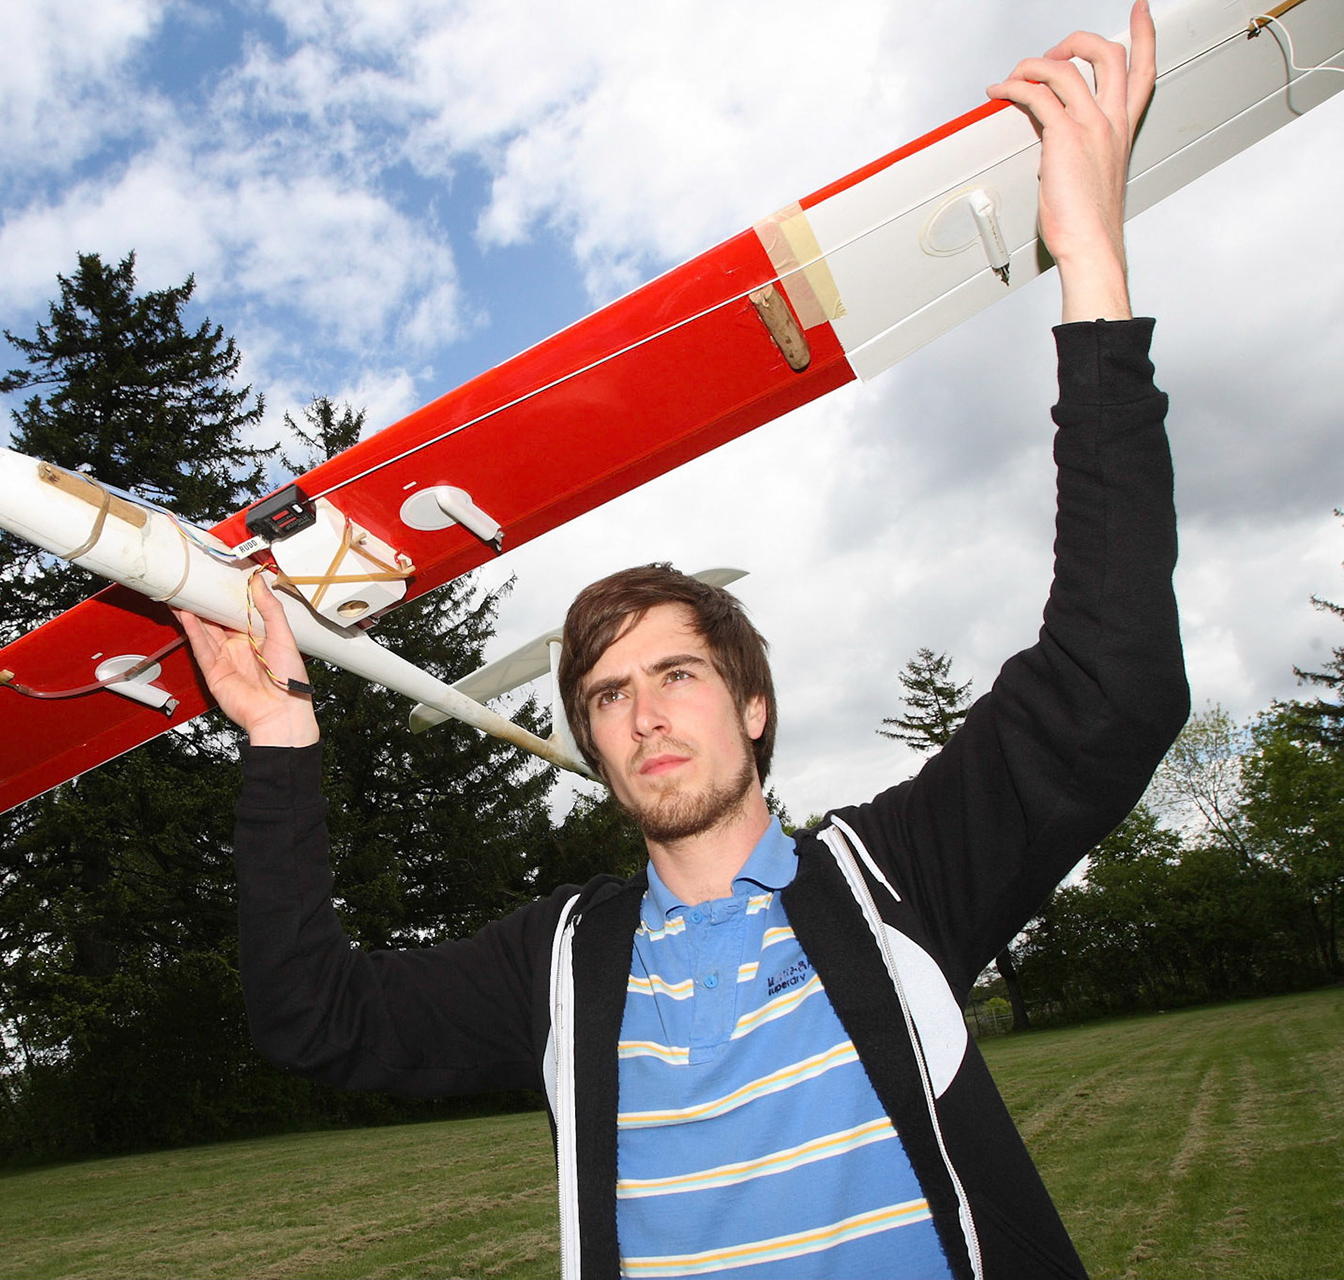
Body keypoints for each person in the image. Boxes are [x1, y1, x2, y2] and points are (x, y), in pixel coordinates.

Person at [176, 6, 1182, 1277]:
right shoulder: (563, 964)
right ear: (591, 741)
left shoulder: (894, 884)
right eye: (605, 695)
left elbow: (1116, 674)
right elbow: (312, 1018)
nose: (644, 711)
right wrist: (278, 734)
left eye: (677, 673)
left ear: (751, 704)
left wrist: (1091, 267)